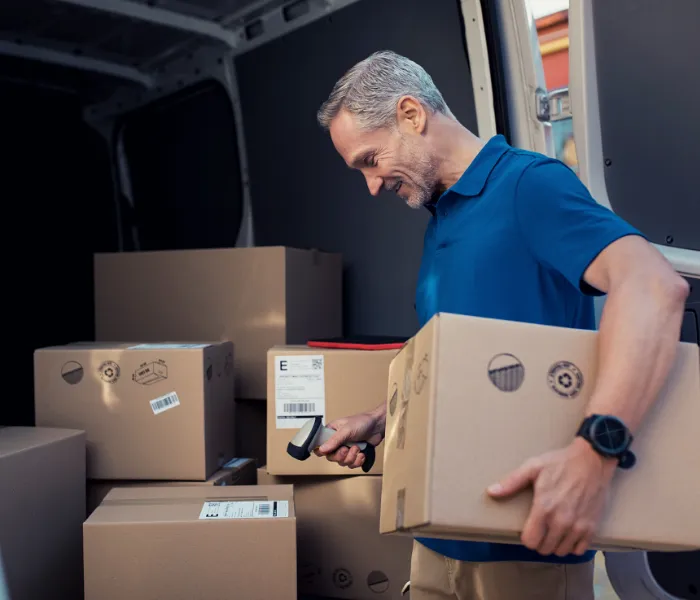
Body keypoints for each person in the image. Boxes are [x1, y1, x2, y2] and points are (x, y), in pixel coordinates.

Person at [314, 51, 689, 600]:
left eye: (370, 160)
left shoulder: (528, 186)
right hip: (438, 537)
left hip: (525, 546)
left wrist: (595, 452)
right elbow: (469, 366)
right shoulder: (442, 217)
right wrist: (380, 420)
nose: (371, 186)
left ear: (411, 115)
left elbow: (655, 288)